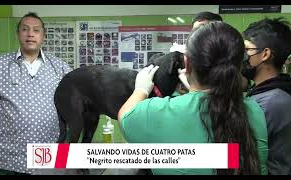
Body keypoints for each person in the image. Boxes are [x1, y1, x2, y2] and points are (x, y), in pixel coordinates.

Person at [118, 21, 268, 175]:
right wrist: (200, 94)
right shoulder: (254, 111)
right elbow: (227, 157)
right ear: (239, 67)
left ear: (187, 64)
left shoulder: (156, 113)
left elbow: (124, 118)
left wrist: (141, 89)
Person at [0, 12, 72, 175]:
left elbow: (73, 105)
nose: (30, 34)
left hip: (49, 154)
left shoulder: (60, 67)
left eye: (36, 30)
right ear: (18, 34)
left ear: (43, 36)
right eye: (25, 29)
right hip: (5, 157)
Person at [241, 17, 291, 175]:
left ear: (265, 54)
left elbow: (238, 155)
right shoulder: (276, 92)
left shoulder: (270, 103)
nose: (242, 57)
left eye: (247, 50)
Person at [173, 11, 223, 96]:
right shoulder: (184, 55)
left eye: (201, 29)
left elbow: (243, 84)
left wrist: (193, 89)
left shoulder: (228, 54)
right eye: (194, 30)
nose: (196, 34)